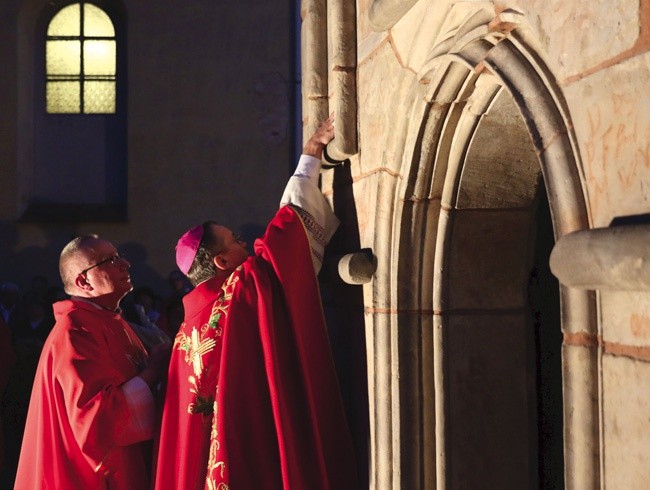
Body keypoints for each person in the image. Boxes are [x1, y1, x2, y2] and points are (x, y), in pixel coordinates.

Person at [155, 115, 358, 489]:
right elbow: (285, 238)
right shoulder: (238, 293)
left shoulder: (187, 328)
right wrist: (309, 159)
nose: (245, 244)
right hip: (254, 453)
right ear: (221, 261)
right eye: (235, 240)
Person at [14, 235, 171, 490]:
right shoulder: (76, 331)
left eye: (119, 255)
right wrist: (153, 371)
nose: (126, 264)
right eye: (111, 260)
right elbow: (95, 420)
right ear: (83, 281)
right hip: (90, 476)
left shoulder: (110, 320)